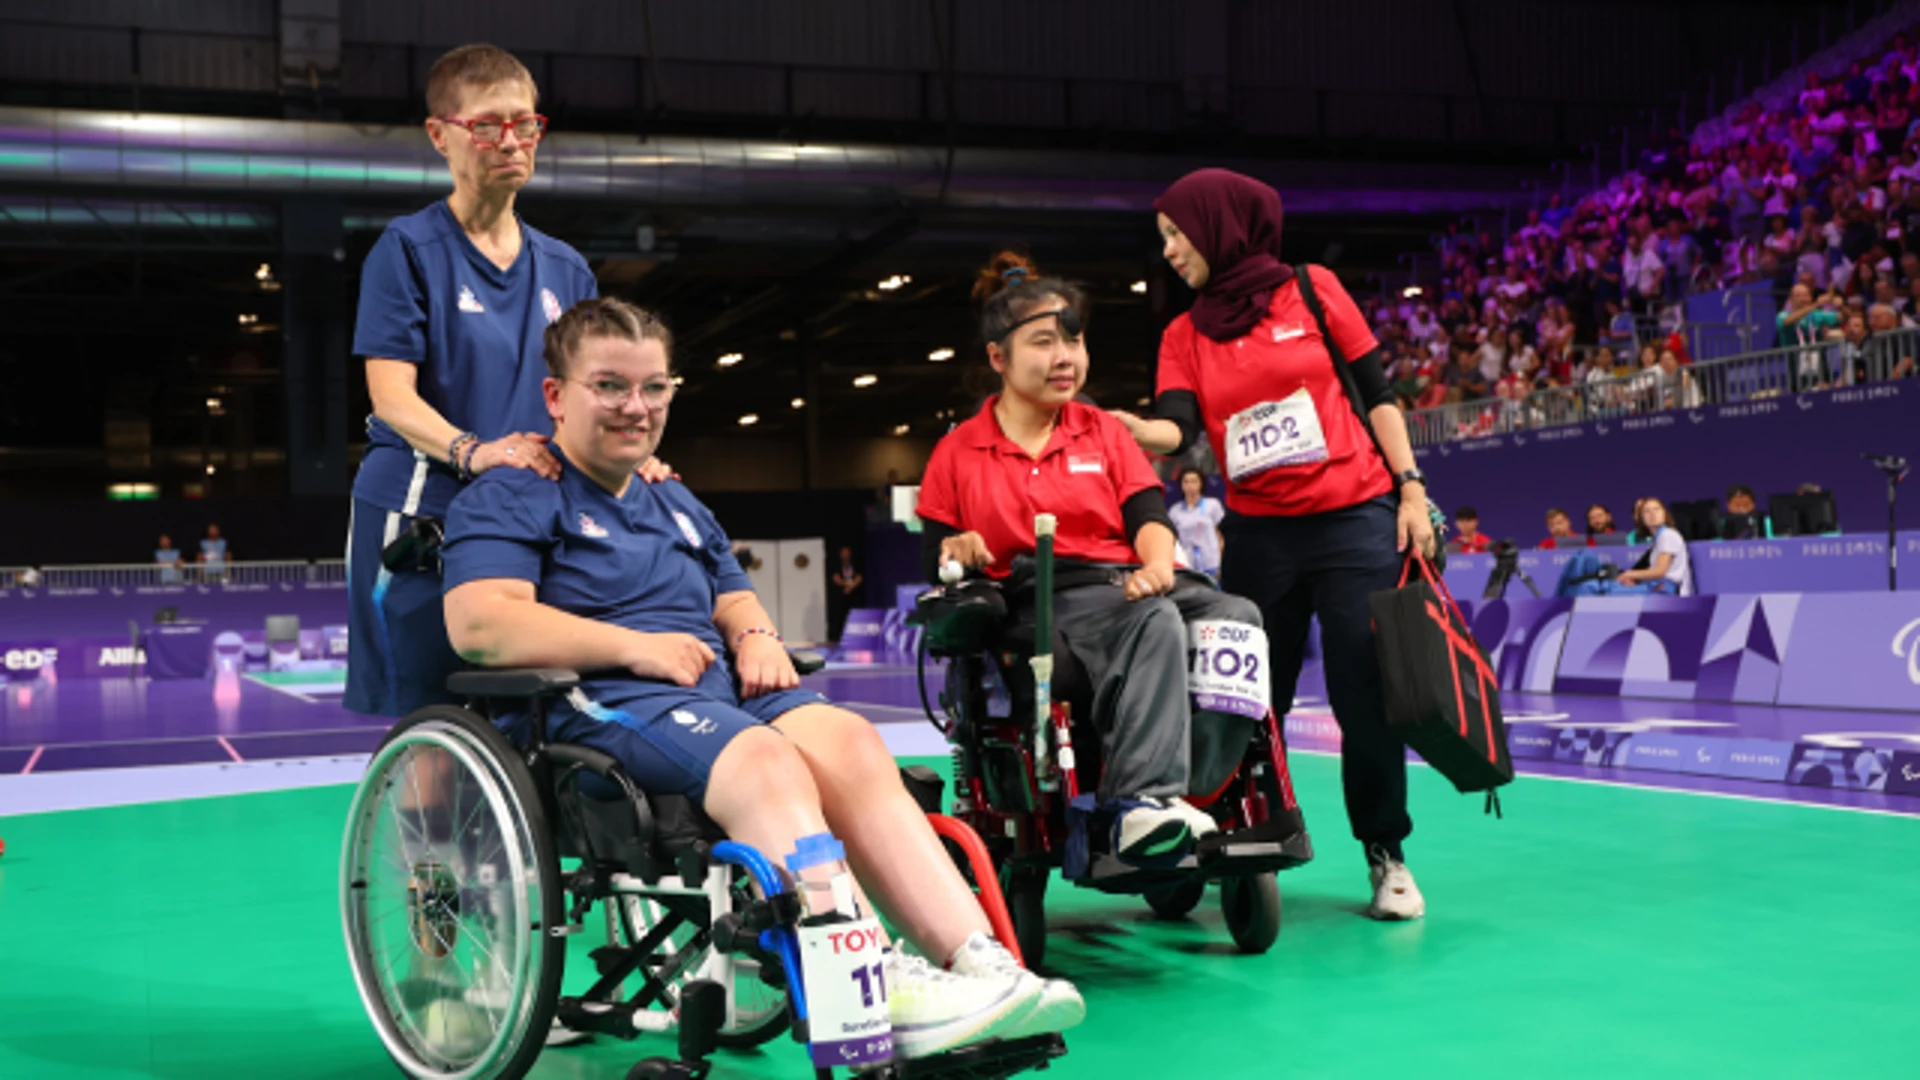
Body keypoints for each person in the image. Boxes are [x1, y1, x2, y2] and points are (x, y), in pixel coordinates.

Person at [440, 297, 1083, 1057]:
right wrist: (631, 647)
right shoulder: (512, 493)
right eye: (609, 387)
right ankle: (868, 984)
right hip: (602, 700)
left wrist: (751, 632)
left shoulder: (672, 497)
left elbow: (729, 587)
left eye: (654, 388)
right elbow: (479, 624)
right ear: (556, 397)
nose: (635, 407)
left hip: (712, 694)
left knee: (846, 739)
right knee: (765, 761)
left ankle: (977, 961)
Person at [1112, 168, 1439, 920]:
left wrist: (1411, 489)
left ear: (1220, 226)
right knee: (1246, 698)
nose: (1167, 252)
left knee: (1365, 696)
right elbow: (1179, 428)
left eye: (1176, 234)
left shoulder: (1314, 289)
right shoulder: (1183, 333)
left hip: (1355, 519)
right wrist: (1128, 429)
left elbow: (1377, 394)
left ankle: (1385, 851)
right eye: (1161, 238)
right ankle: (1237, 833)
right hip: (1260, 537)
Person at [918, 252, 1257, 867]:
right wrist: (957, 549)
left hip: (1129, 578)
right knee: (1154, 622)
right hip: (1044, 595)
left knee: (1240, 617)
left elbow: (1148, 518)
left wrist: (1156, 566)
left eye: (1074, 341)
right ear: (998, 358)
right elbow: (935, 553)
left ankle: (1201, 788)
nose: (1065, 358)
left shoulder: (1101, 430)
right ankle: (1136, 805)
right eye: (1044, 342)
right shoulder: (959, 451)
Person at [345, 44, 614, 718]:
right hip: (422, 508)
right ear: (441, 134)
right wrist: (475, 450)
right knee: (433, 725)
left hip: (525, 516)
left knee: (536, 711)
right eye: (488, 124)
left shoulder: (568, 269)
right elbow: (390, 397)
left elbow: (586, 399)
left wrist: (625, 458)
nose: (511, 141)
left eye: (525, 124)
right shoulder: (407, 250)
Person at [1613, 497, 1692, 595]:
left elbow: (1659, 571)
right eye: (1647, 511)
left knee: (1612, 592)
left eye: (1657, 509)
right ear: (1641, 518)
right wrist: (1634, 579)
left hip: (1666, 590)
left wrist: (1628, 574)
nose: (1652, 514)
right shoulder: (1658, 539)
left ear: (1664, 513)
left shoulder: (1668, 535)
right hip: (1655, 585)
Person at [1167, 467, 1226, 578]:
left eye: (1194, 481)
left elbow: (1221, 536)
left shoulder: (1212, 505)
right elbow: (1172, 540)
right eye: (1186, 482)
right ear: (1181, 485)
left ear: (1201, 483)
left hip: (1212, 563)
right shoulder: (1175, 511)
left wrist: (1222, 561)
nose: (1190, 486)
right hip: (1187, 565)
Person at [829, 545, 863, 639]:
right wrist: (847, 585)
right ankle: (841, 638)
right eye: (844, 553)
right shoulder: (836, 565)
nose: (846, 555)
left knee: (855, 616)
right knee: (841, 617)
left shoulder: (855, 564)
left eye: (847, 553)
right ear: (840, 555)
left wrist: (851, 587)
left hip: (854, 595)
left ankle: (856, 637)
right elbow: (836, 578)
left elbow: (859, 578)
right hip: (841, 595)